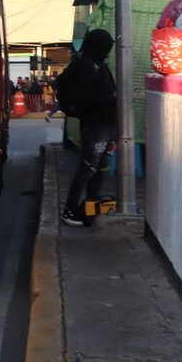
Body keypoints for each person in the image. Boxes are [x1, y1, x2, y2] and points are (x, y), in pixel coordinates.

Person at [60, 28, 118, 227]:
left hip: (106, 124)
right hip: (96, 124)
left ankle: (90, 204)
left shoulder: (97, 64)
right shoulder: (86, 66)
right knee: (88, 167)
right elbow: (85, 99)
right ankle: (70, 209)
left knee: (100, 166)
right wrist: (111, 98)